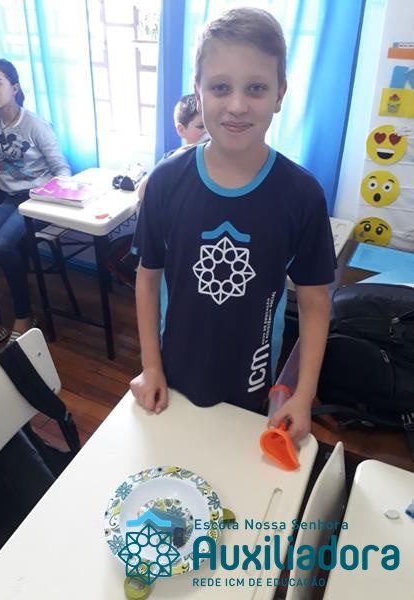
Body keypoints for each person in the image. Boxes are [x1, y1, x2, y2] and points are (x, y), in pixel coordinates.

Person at [130, 7, 336, 441]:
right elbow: (147, 279)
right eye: (220, 87)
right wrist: (150, 366)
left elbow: (315, 303)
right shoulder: (165, 182)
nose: (238, 106)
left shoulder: (302, 195)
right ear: (198, 91)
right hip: (173, 376)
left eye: (256, 88)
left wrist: (303, 394)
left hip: (252, 382)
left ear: (280, 94)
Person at [0, 58, 71, 360]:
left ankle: (24, 316)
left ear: (14, 87)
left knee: (2, 245)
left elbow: (62, 169)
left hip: (39, 201)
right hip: (11, 199)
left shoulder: (34, 125)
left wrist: (49, 197)